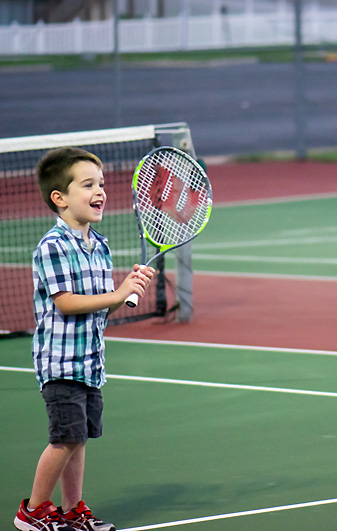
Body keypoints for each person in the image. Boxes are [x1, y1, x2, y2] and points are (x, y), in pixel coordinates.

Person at [15, 147, 155, 531]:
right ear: (59, 198)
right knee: (64, 438)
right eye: (88, 184)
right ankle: (33, 511)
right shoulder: (53, 246)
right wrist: (115, 293)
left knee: (79, 439)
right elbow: (66, 303)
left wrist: (124, 292)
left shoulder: (101, 247)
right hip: (60, 362)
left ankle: (72, 510)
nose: (100, 191)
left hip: (91, 362)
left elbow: (98, 307)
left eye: (102, 184)